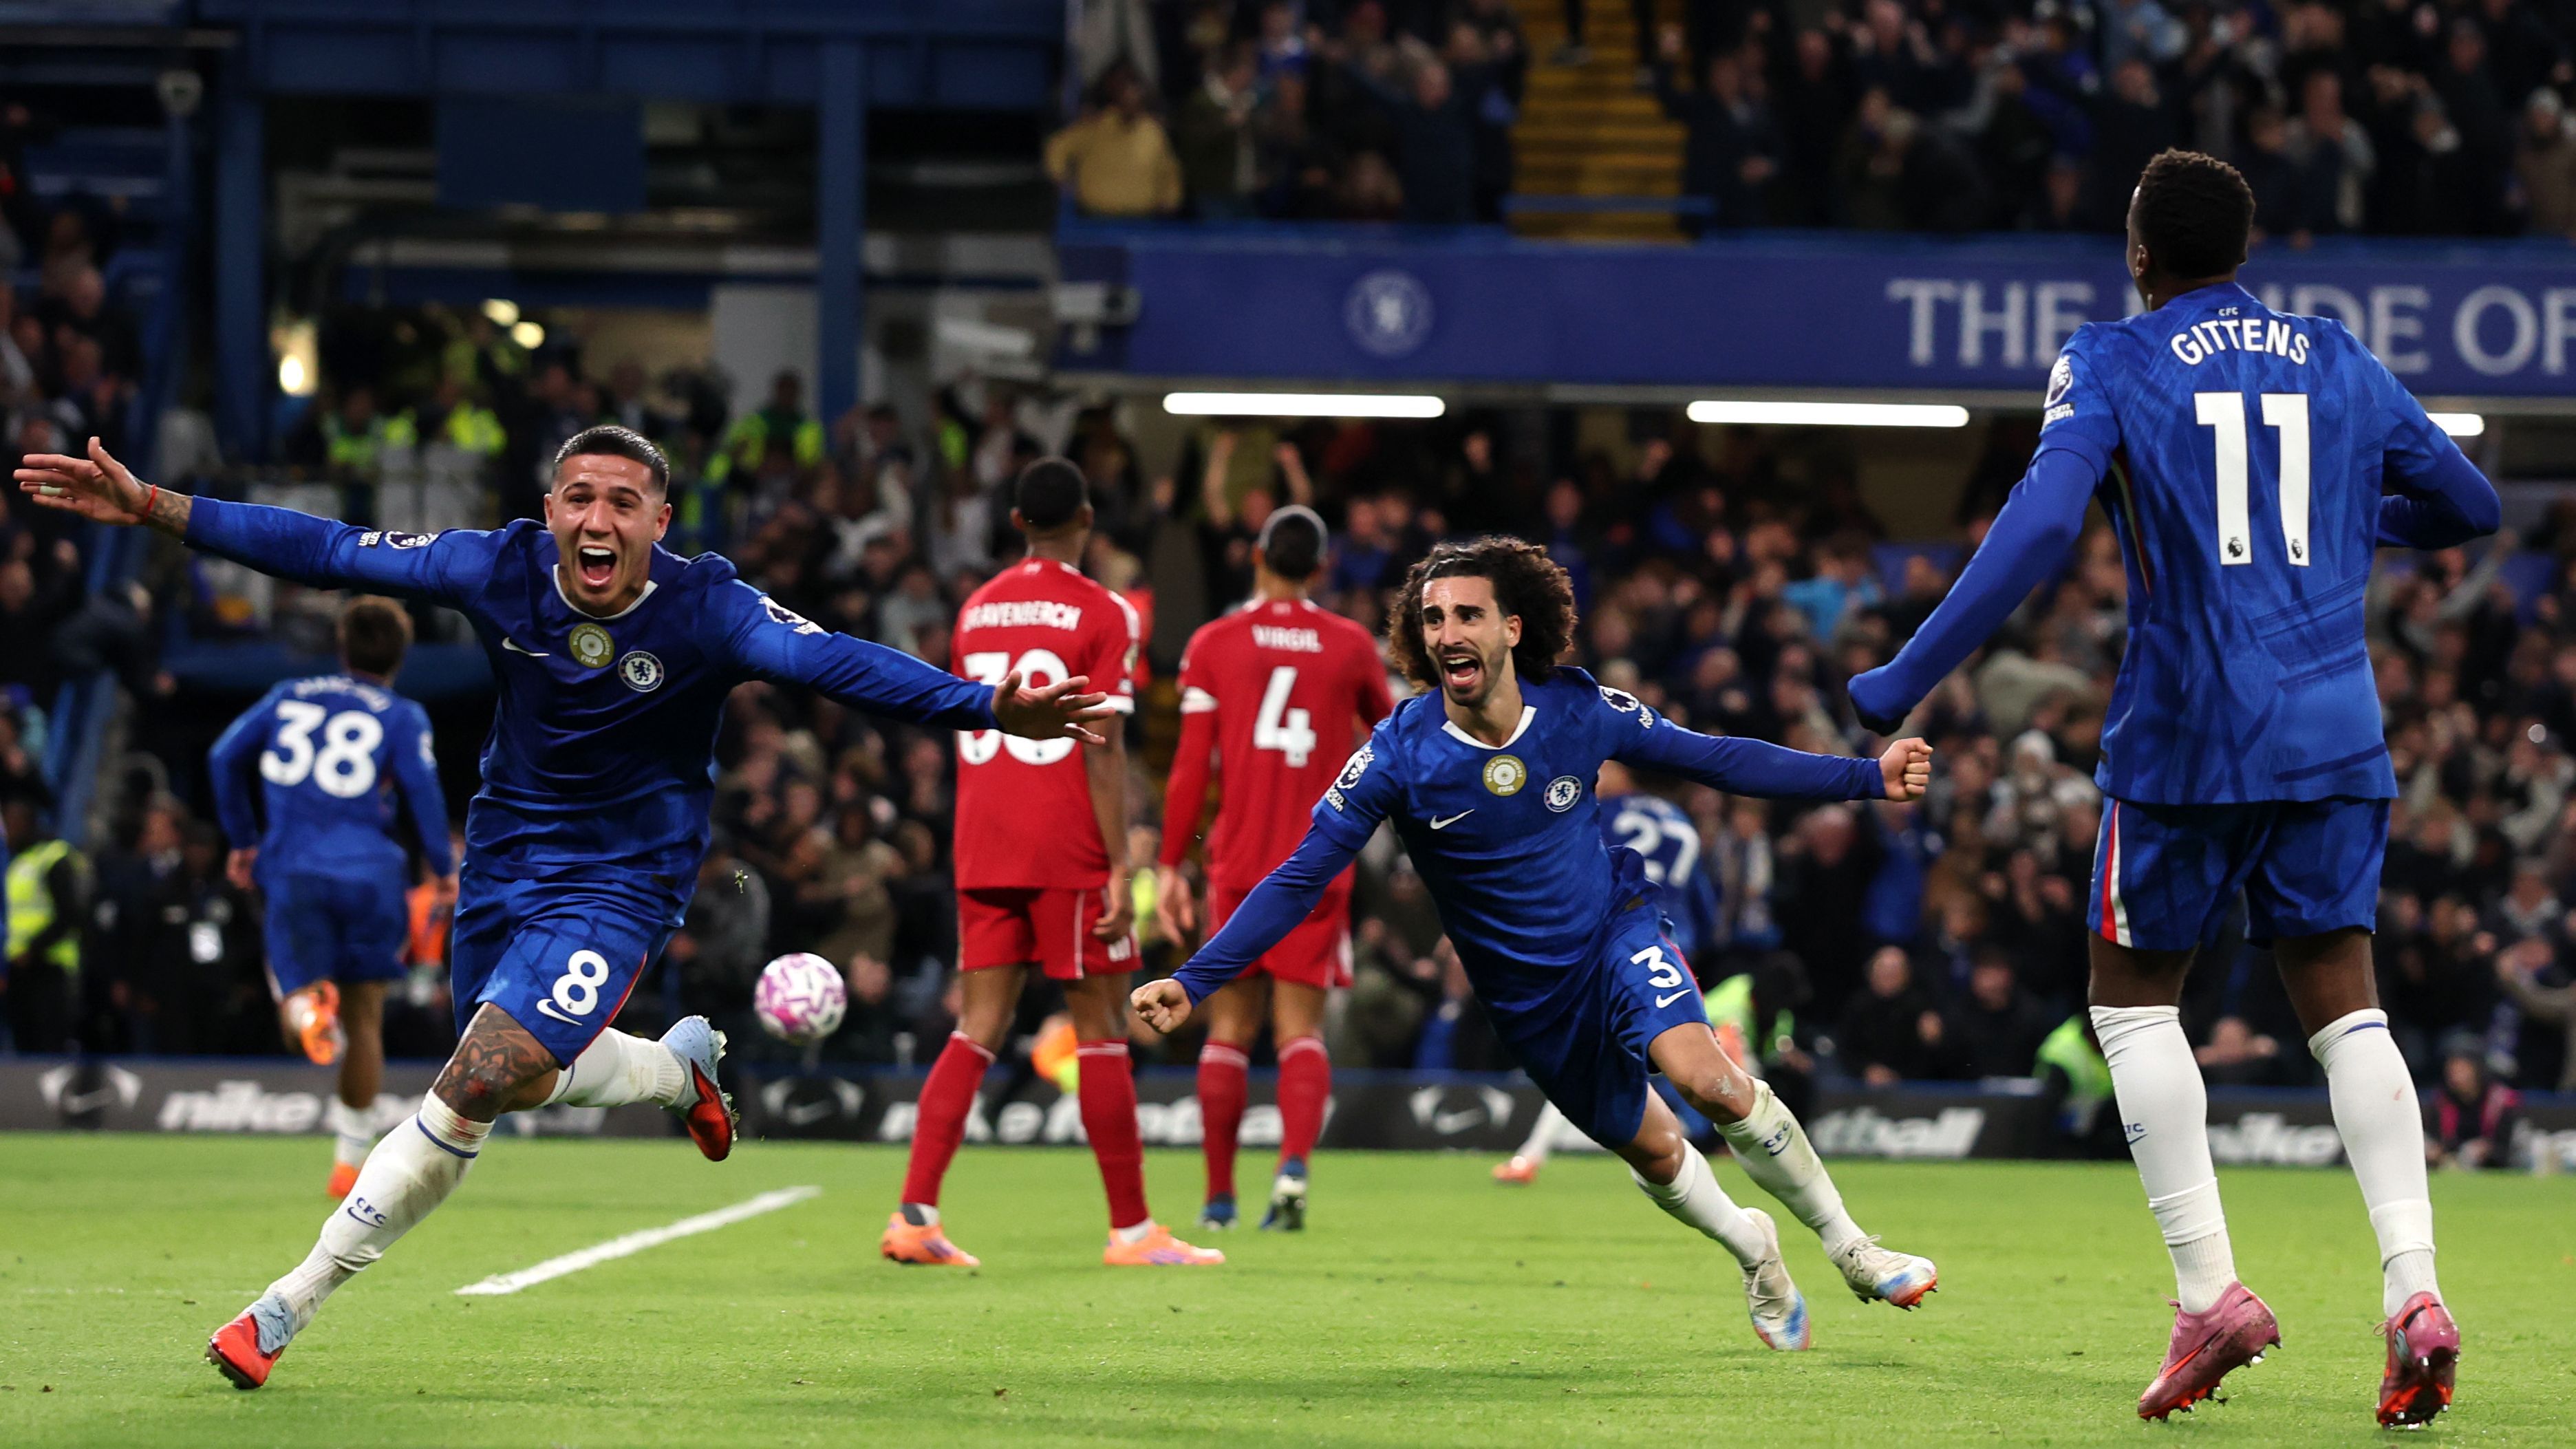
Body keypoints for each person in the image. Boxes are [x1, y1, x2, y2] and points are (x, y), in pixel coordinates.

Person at [17, 427, 1112, 1388]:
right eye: (579, 498)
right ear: (551, 513)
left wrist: (986, 702)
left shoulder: (709, 606)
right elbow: (329, 547)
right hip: (503, 866)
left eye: (623, 502)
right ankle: (675, 1070)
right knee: (514, 1075)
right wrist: (157, 508)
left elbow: (837, 663)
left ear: (659, 521)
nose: (598, 519)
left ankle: (286, 1303)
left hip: (623, 879)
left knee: (478, 1074)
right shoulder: (498, 567)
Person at [1847, 149, 2499, 1426]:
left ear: (2138, 252)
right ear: (2245, 252)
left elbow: (2038, 528)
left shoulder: (2110, 355)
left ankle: (2210, 1292)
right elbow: (2464, 503)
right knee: (2341, 1006)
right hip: (2333, 732)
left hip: (2188, 732)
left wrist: (1907, 672)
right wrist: (2350, 523)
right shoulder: (2334, 352)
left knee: (2133, 1006)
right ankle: (2411, 1291)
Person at [1134, 538, 1941, 1353]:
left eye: (1468, 615)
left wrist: (1866, 777)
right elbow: (1300, 878)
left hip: (1613, 932)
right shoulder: (1397, 755)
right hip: (1529, 1002)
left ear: (1513, 628)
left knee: (1712, 1083)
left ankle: (1853, 1248)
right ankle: (1753, 1251)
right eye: (1433, 618)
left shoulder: (1579, 710)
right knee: (1658, 1155)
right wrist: (1197, 980)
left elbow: (1717, 760)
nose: (1448, 632)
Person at [881, 458, 1220, 1271]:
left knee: (978, 1027)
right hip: (1063, 844)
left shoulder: (976, 610)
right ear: (1088, 517)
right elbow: (1101, 749)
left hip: (983, 840)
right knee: (1101, 1026)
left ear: (1016, 522)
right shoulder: (1102, 611)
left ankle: (915, 1217)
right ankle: (1133, 1232)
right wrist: (1115, 866)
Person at [1156, 504, 1393, 1232]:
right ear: (1322, 568)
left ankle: (1219, 1200)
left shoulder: (1216, 642)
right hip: (1318, 860)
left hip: (1238, 862)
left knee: (1227, 1032)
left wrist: (1170, 863)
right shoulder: (1351, 646)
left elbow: (1194, 764)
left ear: (1257, 555)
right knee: (1301, 1034)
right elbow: (1393, 738)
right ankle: (1291, 1172)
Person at [205, 597, 455, 1199]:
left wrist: (243, 842)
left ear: (341, 646)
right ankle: (348, 1166)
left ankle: (311, 1013)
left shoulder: (287, 695)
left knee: (297, 1003)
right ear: (401, 654)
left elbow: (223, 757)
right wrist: (443, 867)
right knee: (367, 1014)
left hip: (293, 870)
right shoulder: (402, 714)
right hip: (373, 873)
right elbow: (421, 790)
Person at [1493, 755, 1723, 1185]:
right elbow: (1705, 907)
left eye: (1603, 769)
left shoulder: (1604, 815)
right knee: (1674, 1058)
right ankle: (1721, 1137)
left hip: (1619, 942)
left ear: (1622, 772)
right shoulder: (1679, 820)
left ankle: (1531, 1158)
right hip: (1673, 945)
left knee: (1588, 1051)